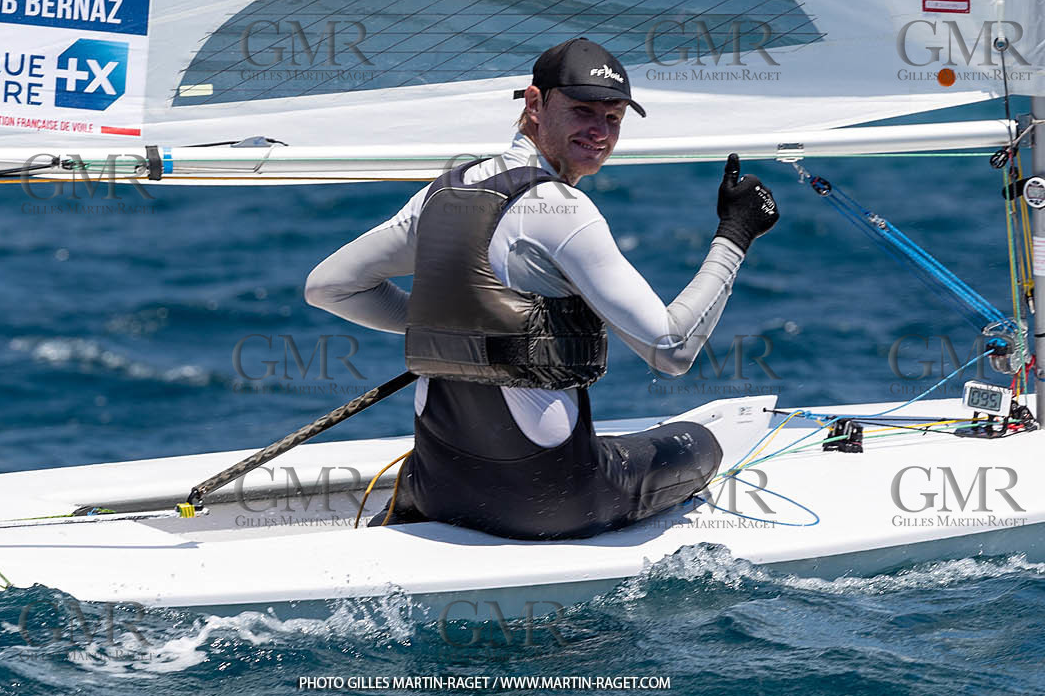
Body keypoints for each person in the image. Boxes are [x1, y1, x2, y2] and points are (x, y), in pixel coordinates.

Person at [304, 37, 779, 539]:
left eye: (613, 118)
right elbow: (672, 348)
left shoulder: (443, 192)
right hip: (549, 503)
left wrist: (456, 330)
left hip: (435, 489)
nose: (599, 131)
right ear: (534, 104)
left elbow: (330, 287)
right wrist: (736, 233)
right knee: (699, 442)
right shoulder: (563, 209)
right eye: (582, 111)